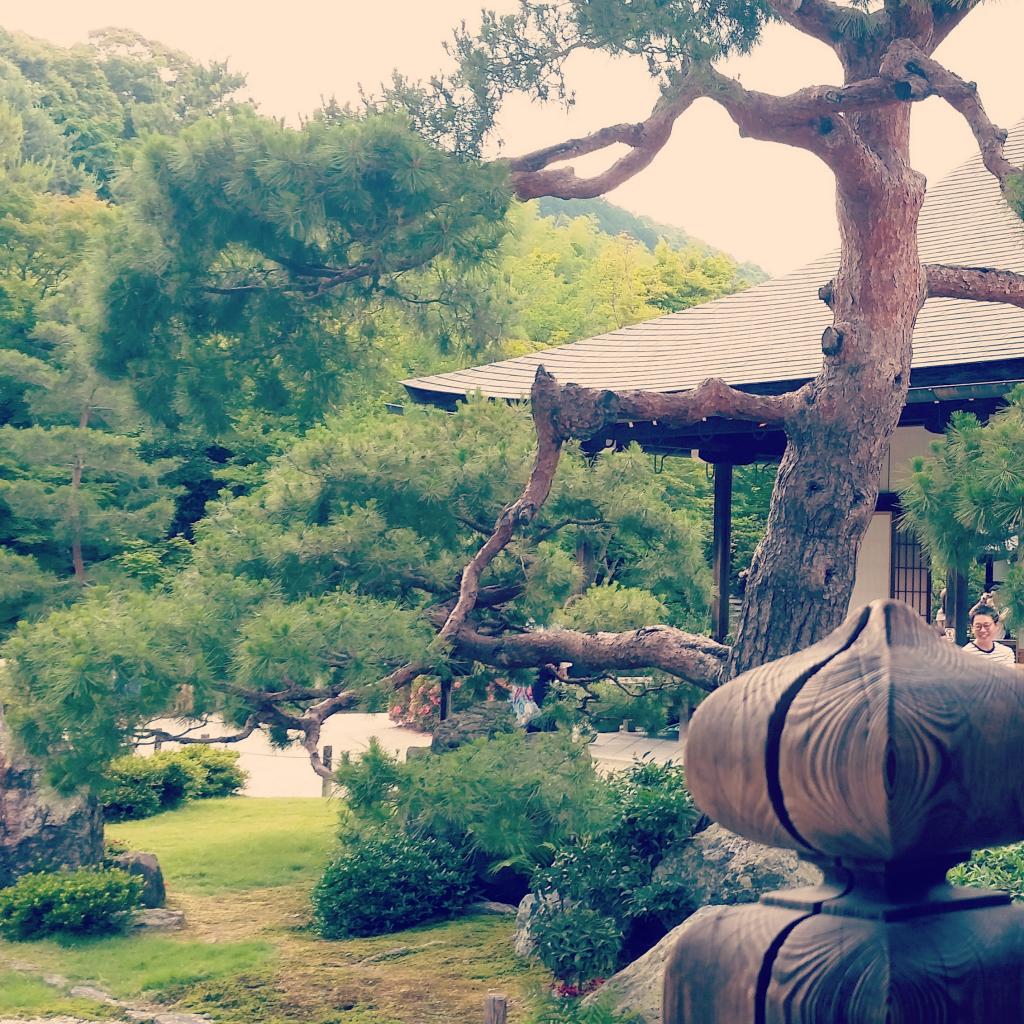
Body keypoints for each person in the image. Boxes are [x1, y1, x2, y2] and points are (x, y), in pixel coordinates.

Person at [963, 601, 1017, 666]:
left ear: (996, 626)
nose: (982, 630)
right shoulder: (964, 654)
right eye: (978, 626)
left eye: (986, 626)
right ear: (972, 628)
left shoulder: (1006, 653)